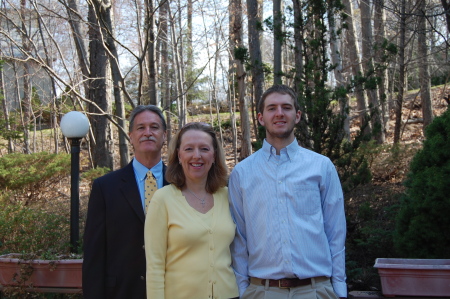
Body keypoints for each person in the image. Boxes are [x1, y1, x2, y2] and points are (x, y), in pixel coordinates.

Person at [228, 84, 347, 299]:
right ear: (261, 118)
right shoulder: (242, 173)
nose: (279, 113)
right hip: (262, 292)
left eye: (286, 107)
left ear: (297, 115)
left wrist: (339, 290)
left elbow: (335, 231)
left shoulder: (321, 166)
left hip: (316, 291)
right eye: (272, 108)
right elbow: (240, 239)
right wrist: (243, 290)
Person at [144, 122, 239, 299]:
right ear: (179, 155)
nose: (197, 156)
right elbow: (155, 266)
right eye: (189, 149)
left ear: (214, 155)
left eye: (204, 149)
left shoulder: (229, 196)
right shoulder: (162, 199)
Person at [83, 105, 169, 299]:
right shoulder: (105, 187)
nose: (148, 133)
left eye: (154, 127)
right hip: (121, 291)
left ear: (164, 135)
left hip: (173, 290)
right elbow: (94, 254)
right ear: (131, 136)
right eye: (141, 128)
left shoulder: (181, 184)